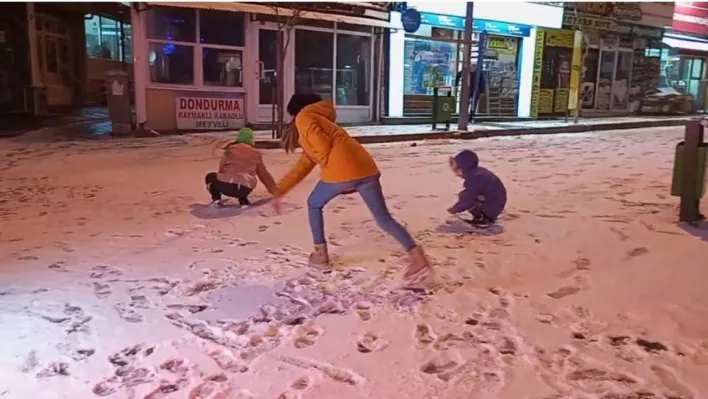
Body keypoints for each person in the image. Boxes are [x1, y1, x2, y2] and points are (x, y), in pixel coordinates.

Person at [272, 93, 432, 287]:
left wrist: (325, 162)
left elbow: (322, 147)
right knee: (384, 218)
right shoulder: (323, 121)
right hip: (366, 168)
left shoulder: (304, 117)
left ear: (296, 110)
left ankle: (320, 256)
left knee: (313, 204)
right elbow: (305, 163)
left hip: (342, 171)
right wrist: (280, 189)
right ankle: (417, 258)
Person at [205, 128, 278, 207]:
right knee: (245, 177)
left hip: (226, 185)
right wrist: (274, 190)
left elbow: (221, 168)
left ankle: (217, 199)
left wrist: (222, 183)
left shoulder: (230, 150)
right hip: (245, 188)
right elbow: (264, 175)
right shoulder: (256, 153)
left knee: (210, 176)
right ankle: (243, 200)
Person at [447, 149, 507, 225]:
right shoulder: (477, 172)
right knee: (465, 195)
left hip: (493, 205)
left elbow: (468, 197)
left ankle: (484, 218)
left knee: (465, 196)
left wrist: (456, 208)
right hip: (496, 203)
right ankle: (486, 216)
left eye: (457, 168)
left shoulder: (475, 177)